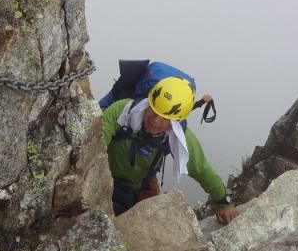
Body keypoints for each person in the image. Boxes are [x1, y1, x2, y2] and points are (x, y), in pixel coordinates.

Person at [101, 76, 240, 225]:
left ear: (177, 121)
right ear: (148, 102)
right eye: (154, 110)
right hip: (104, 178)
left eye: (165, 118)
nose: (155, 120)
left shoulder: (179, 135)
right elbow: (97, 139)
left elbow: (201, 169)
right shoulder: (123, 111)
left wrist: (224, 203)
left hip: (139, 188)